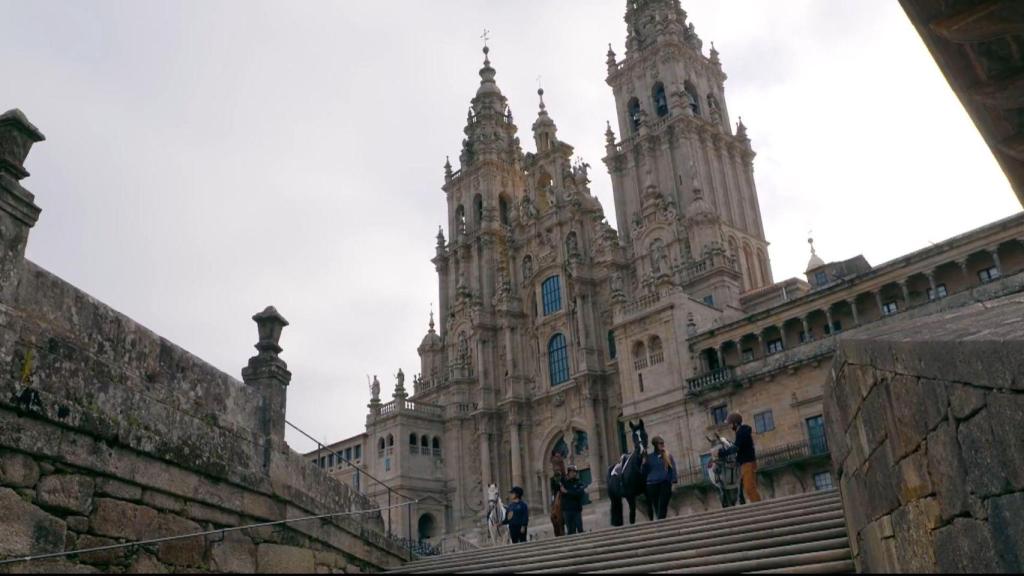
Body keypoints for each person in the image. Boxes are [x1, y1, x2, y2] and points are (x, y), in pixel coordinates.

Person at [723, 412, 761, 503]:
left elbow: (736, 448)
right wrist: (736, 460)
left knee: (749, 488)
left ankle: (759, 508)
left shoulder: (742, 432)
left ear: (735, 423)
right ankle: (758, 506)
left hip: (747, 463)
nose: (730, 426)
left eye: (730, 424)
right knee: (750, 487)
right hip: (746, 463)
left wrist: (721, 453)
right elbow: (741, 449)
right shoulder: (741, 432)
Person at [641, 435, 677, 520]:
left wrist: (674, 481)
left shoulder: (667, 456)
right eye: (660, 443)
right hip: (652, 485)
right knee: (656, 506)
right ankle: (661, 525)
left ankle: (660, 523)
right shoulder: (649, 457)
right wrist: (644, 463)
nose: (662, 445)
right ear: (655, 445)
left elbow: (673, 469)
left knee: (663, 504)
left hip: (665, 483)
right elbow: (644, 472)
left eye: (662, 443)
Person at [560, 465, 586, 535]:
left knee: (580, 529)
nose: (574, 473)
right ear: (568, 473)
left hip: (576, 509)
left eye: (575, 472)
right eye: (572, 472)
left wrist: (567, 492)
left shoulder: (579, 483)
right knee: (570, 531)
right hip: (567, 510)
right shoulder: (564, 483)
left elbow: (579, 493)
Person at [549, 469, 565, 537]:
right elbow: (552, 489)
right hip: (555, 494)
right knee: (554, 500)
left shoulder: (562, 478)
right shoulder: (552, 480)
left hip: (562, 492)